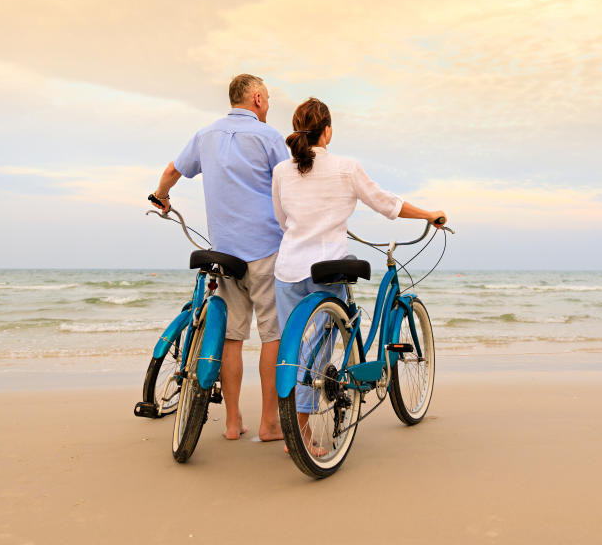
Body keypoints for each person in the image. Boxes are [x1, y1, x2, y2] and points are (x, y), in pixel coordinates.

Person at [271, 97, 446, 452]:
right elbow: (387, 204)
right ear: (328, 131)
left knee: (293, 349)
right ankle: (301, 434)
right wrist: (430, 214)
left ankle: (294, 426)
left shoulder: (281, 171)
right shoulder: (346, 168)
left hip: (288, 268)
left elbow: (282, 220)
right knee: (317, 353)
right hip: (326, 269)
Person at [151, 74, 287, 442]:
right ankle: (270, 423)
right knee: (272, 334)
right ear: (257, 97)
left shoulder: (205, 136)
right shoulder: (269, 137)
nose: (269, 105)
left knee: (231, 337)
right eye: (268, 98)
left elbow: (170, 172)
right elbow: (290, 185)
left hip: (224, 253)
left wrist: (162, 196)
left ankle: (232, 422)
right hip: (266, 250)